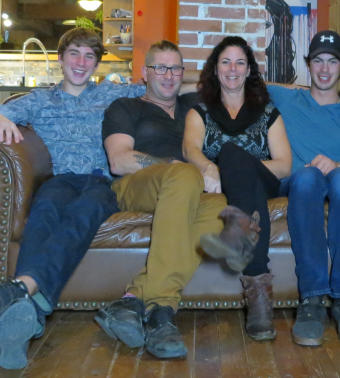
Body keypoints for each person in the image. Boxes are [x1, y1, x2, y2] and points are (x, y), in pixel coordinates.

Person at [0, 28, 146, 369]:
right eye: (74, 53)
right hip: (59, 180)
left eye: (90, 56)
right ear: (60, 58)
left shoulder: (111, 93)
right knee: (44, 211)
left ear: (97, 63)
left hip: (100, 181)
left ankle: (19, 298)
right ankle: (28, 309)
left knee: (85, 212)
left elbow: (164, 89)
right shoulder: (38, 99)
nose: (81, 62)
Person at [96, 40, 259, 359]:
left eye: (175, 68)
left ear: (183, 73)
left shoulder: (194, 105)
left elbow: (241, 84)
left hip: (188, 192)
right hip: (135, 186)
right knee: (185, 175)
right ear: (145, 72)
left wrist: (303, 86)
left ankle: (141, 304)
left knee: (220, 206)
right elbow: (118, 160)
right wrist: (173, 167)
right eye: (160, 67)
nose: (168, 75)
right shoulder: (125, 107)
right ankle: (158, 308)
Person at [266, 30, 340, 346]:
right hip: (299, 184)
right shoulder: (287, 98)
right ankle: (311, 299)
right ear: (307, 64)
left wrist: (339, 165)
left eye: (332, 62)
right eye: (318, 61)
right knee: (310, 176)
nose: (325, 69)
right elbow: (229, 79)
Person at [183, 36, 292, 341]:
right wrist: (208, 167)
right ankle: (260, 308)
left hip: (265, 183)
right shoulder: (199, 111)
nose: (233, 69)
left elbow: (283, 165)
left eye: (240, 62)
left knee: (232, 153)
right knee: (239, 172)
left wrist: (233, 170)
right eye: (225, 62)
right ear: (215, 70)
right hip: (232, 191)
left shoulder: (268, 113)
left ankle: (235, 233)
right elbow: (190, 149)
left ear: (248, 71)